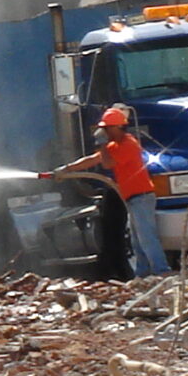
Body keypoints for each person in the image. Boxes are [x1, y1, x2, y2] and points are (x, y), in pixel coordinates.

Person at [41, 105, 166, 278]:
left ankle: (162, 271)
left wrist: (102, 144)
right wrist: (66, 169)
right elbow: (92, 160)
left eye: (107, 128)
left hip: (141, 197)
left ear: (118, 127)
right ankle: (143, 274)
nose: (105, 132)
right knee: (137, 241)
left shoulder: (128, 144)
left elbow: (107, 164)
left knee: (146, 237)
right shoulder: (116, 145)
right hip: (132, 198)